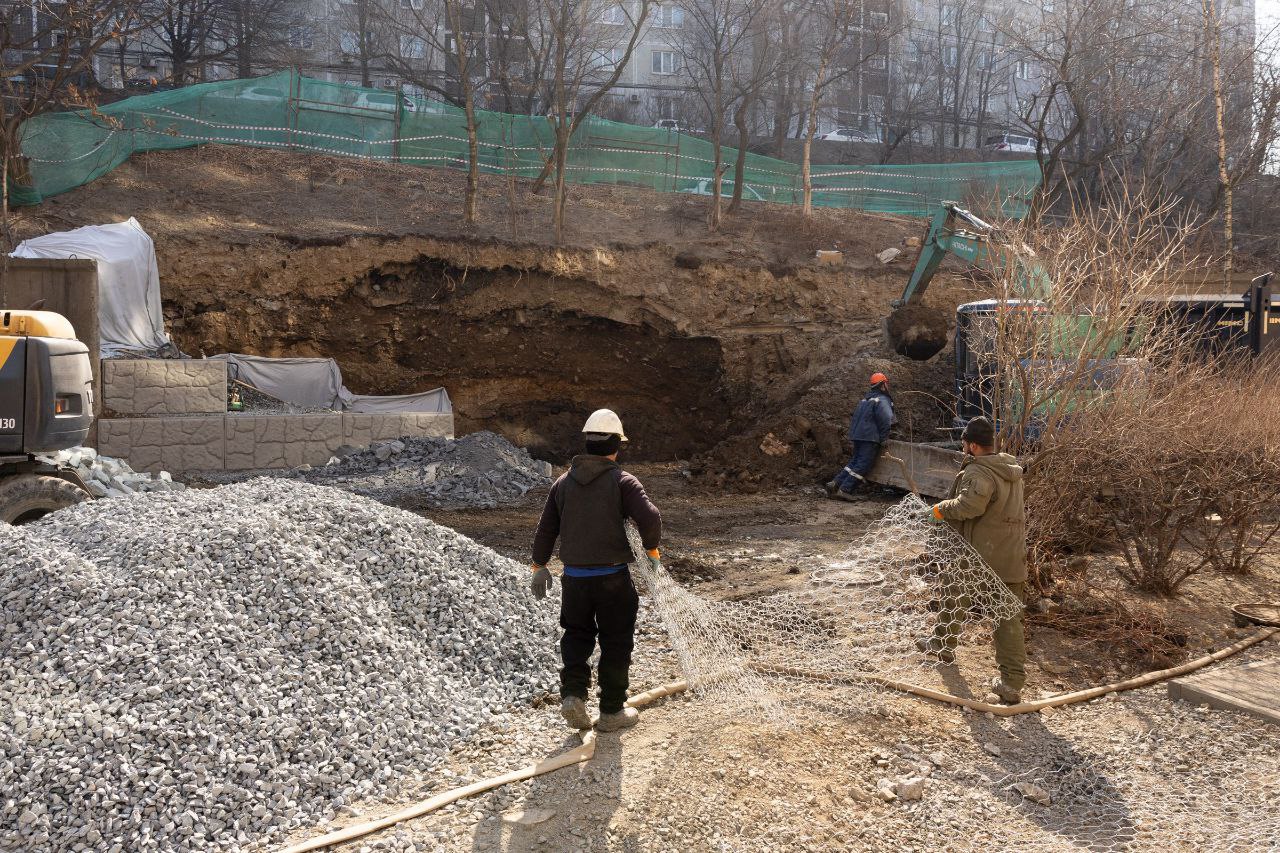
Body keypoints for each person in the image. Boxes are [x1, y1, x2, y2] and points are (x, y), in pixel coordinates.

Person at [529, 409, 662, 732]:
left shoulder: (562, 483)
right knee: (616, 641)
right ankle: (612, 711)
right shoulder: (623, 481)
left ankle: (573, 694)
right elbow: (650, 518)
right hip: (613, 579)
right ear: (617, 445)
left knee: (576, 636)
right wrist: (651, 551)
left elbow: (547, 529)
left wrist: (539, 565)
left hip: (574, 580)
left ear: (587, 443)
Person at [916, 416, 1027, 704]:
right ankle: (1012, 683)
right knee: (1008, 617)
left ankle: (942, 645)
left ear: (974, 446)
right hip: (1011, 552)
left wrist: (939, 510)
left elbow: (969, 506)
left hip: (980, 554)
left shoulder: (979, 472)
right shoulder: (1009, 466)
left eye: (965, 443)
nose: (963, 447)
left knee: (955, 595)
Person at [825, 372, 896, 502]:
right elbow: (886, 419)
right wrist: (884, 437)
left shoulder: (866, 399)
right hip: (869, 437)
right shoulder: (883, 399)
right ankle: (845, 489)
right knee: (863, 463)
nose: (888, 386)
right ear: (882, 385)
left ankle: (835, 483)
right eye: (886, 383)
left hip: (858, 435)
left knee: (855, 461)